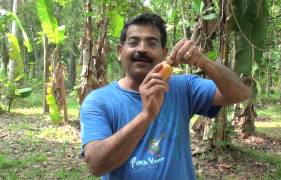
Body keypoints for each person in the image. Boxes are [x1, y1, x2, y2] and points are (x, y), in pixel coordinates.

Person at [80, 13, 249, 180]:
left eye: (151, 43)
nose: (142, 48)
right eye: (133, 42)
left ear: (164, 52)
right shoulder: (98, 101)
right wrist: (146, 115)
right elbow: (96, 164)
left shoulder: (184, 87)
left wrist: (204, 62)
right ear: (119, 51)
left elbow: (240, 93)